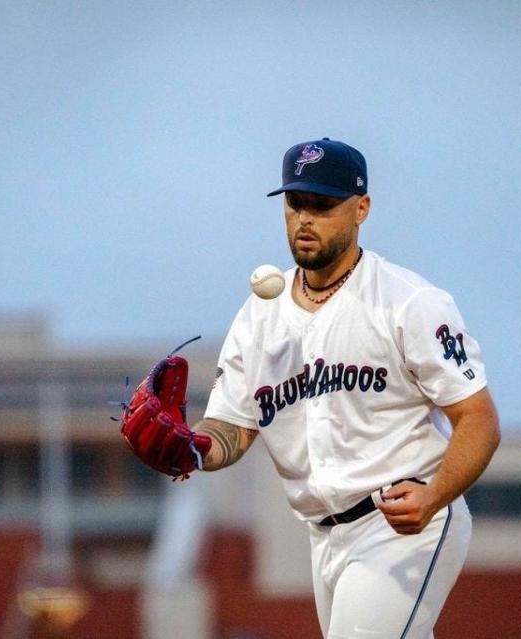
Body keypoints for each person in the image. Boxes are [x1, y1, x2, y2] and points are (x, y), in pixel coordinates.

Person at [198, 137, 500, 638]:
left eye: (322, 205)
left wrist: (434, 496)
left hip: (404, 524)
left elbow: (479, 419)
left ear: (361, 208)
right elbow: (231, 426)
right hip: (324, 536)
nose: (305, 219)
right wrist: (186, 448)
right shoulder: (259, 316)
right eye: (296, 204)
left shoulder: (408, 302)